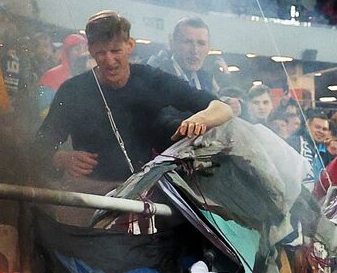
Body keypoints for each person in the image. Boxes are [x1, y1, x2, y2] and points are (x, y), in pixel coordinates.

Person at [37, 10, 232, 190]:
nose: (109, 60)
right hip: (91, 193)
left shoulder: (150, 78)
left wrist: (200, 120)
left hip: (143, 193)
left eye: (115, 51)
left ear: (130, 46)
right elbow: (40, 145)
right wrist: (60, 158)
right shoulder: (73, 90)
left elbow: (221, 108)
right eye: (101, 53)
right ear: (91, 49)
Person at [147, 16, 221, 95]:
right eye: (188, 42)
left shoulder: (207, 80)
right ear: (172, 44)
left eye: (201, 43)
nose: (194, 50)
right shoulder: (155, 77)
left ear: (209, 48)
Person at [39, 33, 88, 114]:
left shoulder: (91, 75)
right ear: (67, 52)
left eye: (85, 49)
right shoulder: (50, 76)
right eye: (77, 49)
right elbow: (44, 111)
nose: (81, 53)